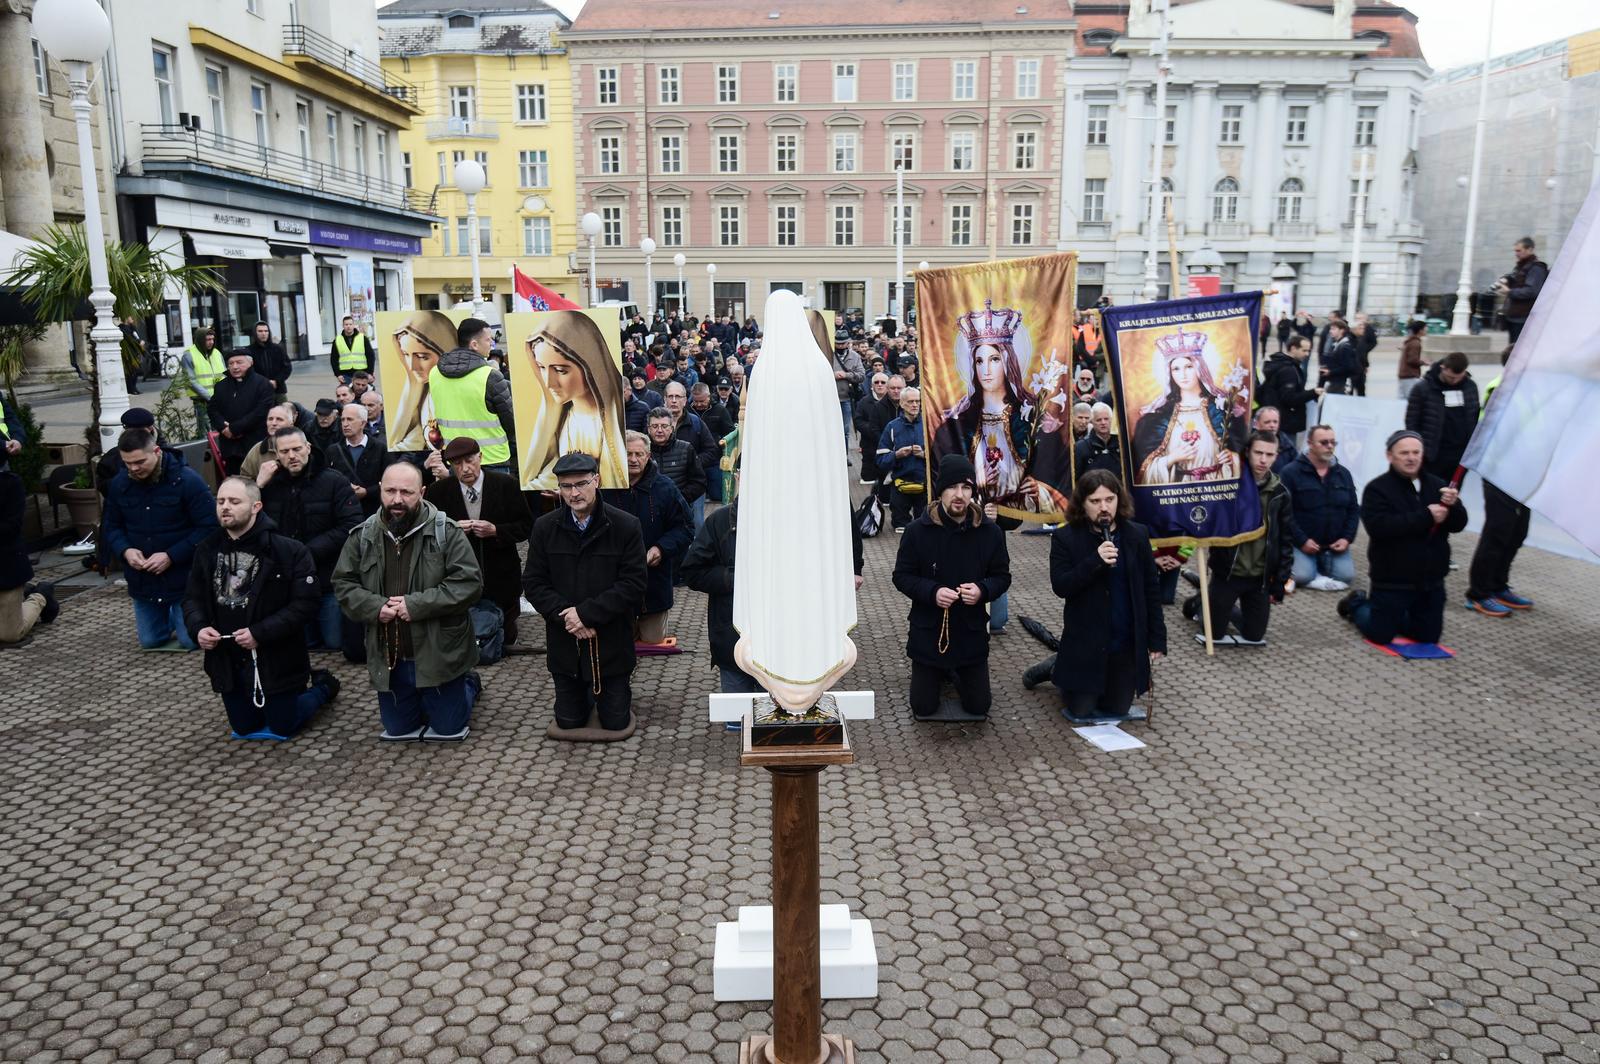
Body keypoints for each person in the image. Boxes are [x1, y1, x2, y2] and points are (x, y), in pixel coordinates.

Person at [333, 462, 483, 742]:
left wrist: (416, 605)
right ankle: (423, 697)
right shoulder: (363, 535)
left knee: (448, 728)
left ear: (422, 492)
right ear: (380, 490)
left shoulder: (446, 531)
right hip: (392, 656)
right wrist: (375, 607)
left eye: (407, 492)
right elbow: (343, 583)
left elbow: (469, 584)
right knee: (398, 729)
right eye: (390, 491)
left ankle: (468, 684)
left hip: (439, 653)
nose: (397, 499)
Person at [183, 477, 341, 740]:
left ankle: (322, 687)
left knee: (283, 725)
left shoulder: (288, 550)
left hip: (276, 658)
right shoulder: (207, 549)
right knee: (244, 727)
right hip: (229, 660)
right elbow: (192, 598)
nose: (225, 507)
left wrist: (260, 633)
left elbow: (305, 604)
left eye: (234, 501)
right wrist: (198, 628)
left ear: (256, 506)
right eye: (220, 501)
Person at [522, 452, 649, 733]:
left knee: (615, 721)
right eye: (566, 486)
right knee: (569, 721)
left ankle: (610, 695)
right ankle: (582, 696)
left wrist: (587, 615)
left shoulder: (625, 525)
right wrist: (568, 618)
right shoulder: (545, 527)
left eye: (581, 484)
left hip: (611, 642)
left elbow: (633, 583)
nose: (574, 493)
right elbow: (533, 582)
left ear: (597, 481)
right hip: (565, 643)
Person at [891, 455, 1011, 720]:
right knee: (923, 707)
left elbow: (1002, 577)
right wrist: (932, 592)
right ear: (940, 491)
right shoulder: (917, 531)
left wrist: (982, 590)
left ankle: (956, 673)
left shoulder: (990, 532)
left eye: (966, 487)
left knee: (979, 707)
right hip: (929, 633)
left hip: (970, 632)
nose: (959, 495)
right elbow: (901, 576)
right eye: (952, 487)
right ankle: (939, 672)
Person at [1050, 470, 1166, 721]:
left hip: (1123, 645)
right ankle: (1053, 668)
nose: (1104, 507)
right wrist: (1095, 560)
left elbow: (1151, 590)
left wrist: (1157, 639)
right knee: (1081, 710)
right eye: (1095, 501)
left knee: (1118, 710)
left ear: (1119, 499)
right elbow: (1061, 586)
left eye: (1109, 499)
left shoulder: (1137, 535)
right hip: (1086, 645)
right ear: (1082, 504)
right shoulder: (1065, 537)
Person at [1340, 431, 1467, 645]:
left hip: (1430, 582)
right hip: (1392, 581)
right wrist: (1426, 516)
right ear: (1390, 456)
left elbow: (1458, 525)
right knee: (1380, 635)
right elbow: (1379, 528)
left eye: (1416, 452)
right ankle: (1356, 604)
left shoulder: (1438, 485)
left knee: (1428, 638)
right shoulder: (1377, 489)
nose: (1411, 458)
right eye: (1404, 453)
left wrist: (1454, 507)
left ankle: (1396, 617)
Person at [103, 427, 218, 650]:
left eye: (139, 462)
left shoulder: (187, 481)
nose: (133, 469)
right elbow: (111, 526)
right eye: (127, 463)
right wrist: (125, 550)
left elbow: (210, 527)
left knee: (190, 641)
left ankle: (195, 614)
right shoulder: (120, 484)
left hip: (184, 577)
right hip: (143, 579)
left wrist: (171, 556)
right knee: (151, 641)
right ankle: (174, 620)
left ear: (156, 451)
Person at [1184, 432, 1294, 647]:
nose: (1263, 460)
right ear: (1247, 452)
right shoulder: (1229, 484)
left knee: (1254, 636)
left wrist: (1280, 581)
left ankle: (1213, 603)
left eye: (1269, 455)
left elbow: (1285, 540)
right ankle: (1201, 602)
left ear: (1276, 456)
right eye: (1258, 453)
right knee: (1214, 634)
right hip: (1228, 573)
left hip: (1259, 578)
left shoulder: (1280, 494)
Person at [258, 425, 362, 649]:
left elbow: (352, 525)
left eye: (296, 449)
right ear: (276, 455)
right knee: (303, 643)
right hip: (288, 583)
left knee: (334, 643)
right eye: (285, 451)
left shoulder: (334, 481)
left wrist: (307, 551)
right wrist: (258, 486)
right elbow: (250, 521)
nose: (292, 456)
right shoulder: (269, 485)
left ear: (308, 447)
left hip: (327, 577)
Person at [424, 435, 534, 644]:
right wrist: (452, 530)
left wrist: (496, 531)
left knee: (504, 639)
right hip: (458, 575)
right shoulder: (438, 491)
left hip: (501, 575)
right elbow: (428, 532)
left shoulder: (506, 485)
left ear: (480, 457)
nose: (465, 468)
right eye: (457, 464)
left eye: (470, 461)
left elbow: (526, 526)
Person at [932, 301, 1038, 510]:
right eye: (979, 361)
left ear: (1008, 362)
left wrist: (1038, 485)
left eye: (995, 359)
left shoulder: (1028, 415)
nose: (986, 370)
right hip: (970, 508)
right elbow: (942, 467)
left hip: (1016, 510)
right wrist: (970, 479)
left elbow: (1049, 463)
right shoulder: (959, 421)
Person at [521, 313, 628, 489]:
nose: (548, 383)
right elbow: (553, 472)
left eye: (560, 370)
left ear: (590, 366)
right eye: (541, 368)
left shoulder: (612, 420)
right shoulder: (563, 419)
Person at [605, 431, 693, 644]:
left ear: (648, 456)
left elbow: (685, 527)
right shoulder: (604, 487)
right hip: (614, 578)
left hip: (653, 580)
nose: (633, 459)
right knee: (618, 639)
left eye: (639, 454)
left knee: (653, 641)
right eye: (628, 454)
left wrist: (661, 548)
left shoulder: (665, 487)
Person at [1464, 351, 1533, 617]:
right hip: (1500, 470)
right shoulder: (1501, 388)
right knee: (1498, 531)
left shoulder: (1529, 388)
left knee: (1518, 532)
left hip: (1524, 471)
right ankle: (1479, 593)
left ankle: (1498, 585)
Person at [1130, 329, 1246, 485]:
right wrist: (1172, 458)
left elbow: (1242, 451)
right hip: (1178, 487)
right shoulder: (1159, 416)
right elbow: (1142, 465)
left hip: (1215, 485)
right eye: (1176, 369)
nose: (1183, 374)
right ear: (1170, 373)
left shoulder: (1221, 408)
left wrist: (1231, 457)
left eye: (1189, 367)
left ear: (1199, 368)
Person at [428, 317, 517, 475]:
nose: (492, 344)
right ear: (474, 344)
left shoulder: (435, 373)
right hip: (493, 459)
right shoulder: (491, 376)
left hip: (456, 459)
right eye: (488, 339)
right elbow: (510, 422)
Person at [1279, 424, 1360, 591]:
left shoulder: (1343, 474)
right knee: (1302, 575)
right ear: (1310, 443)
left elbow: (1353, 509)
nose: (1329, 446)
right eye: (1324, 442)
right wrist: (1302, 541)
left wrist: (1346, 538)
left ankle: (1319, 566)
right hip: (1301, 543)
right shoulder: (1290, 473)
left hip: (1333, 545)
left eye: (1333, 442)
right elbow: (1284, 513)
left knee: (1346, 576)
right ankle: (1307, 566)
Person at [1, 463, 59, 645]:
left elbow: (11, 528)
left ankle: (40, 595)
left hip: (5, 570)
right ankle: (24, 593)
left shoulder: (10, 483)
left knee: (10, 634)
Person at [388, 310, 456, 453]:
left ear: (445, 352)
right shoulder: (424, 392)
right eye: (406, 355)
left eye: (422, 357)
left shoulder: (459, 391)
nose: (412, 367)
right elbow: (417, 436)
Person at [1405, 351, 1479, 482]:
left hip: (1460, 456)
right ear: (1443, 368)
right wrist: (1420, 450)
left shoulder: (1470, 387)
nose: (1454, 381)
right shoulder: (1423, 388)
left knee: (1453, 492)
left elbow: (1474, 416)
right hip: (1433, 455)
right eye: (1450, 377)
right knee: (1432, 491)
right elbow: (1411, 422)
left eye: (1458, 377)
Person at [208, 350, 275, 476]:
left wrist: (234, 429)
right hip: (229, 446)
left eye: (239, 362)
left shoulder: (263, 384)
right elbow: (212, 409)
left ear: (250, 363)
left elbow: (261, 412)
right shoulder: (221, 386)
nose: (235, 367)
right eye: (231, 363)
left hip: (253, 444)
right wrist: (223, 427)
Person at [877, 386, 926, 532]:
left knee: (924, 528)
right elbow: (880, 460)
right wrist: (896, 455)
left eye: (917, 401)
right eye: (910, 401)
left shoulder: (928, 425)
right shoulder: (892, 427)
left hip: (924, 485)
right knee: (900, 528)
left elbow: (940, 456)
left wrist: (924, 455)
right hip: (899, 485)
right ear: (902, 403)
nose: (915, 405)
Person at [325, 403, 387, 516]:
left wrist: (367, 492)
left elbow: (388, 481)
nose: (345, 424)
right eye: (342, 420)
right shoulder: (333, 450)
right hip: (343, 512)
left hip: (373, 512)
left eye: (350, 419)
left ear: (363, 423)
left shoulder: (380, 449)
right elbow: (327, 481)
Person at [645, 407, 706, 521]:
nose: (659, 430)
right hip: (649, 511)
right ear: (648, 429)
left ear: (671, 428)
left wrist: (679, 498)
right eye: (655, 426)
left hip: (679, 511)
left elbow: (699, 482)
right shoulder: (640, 451)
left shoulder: (686, 448)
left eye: (664, 426)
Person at [1258, 335, 1322, 441]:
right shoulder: (1288, 370)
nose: (1307, 354)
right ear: (1293, 349)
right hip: (1285, 422)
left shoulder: (1282, 365)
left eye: (1308, 351)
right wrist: (1313, 393)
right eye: (1304, 350)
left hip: (1278, 419)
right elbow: (1289, 398)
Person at [1494, 237, 1548, 343]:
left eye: (1519, 251)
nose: (1516, 254)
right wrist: (1506, 280)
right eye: (1515, 251)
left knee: (1518, 348)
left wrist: (1509, 292)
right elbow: (1517, 280)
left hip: (1523, 318)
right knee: (1513, 348)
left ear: (1530, 249)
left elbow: (1531, 291)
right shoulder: (1522, 266)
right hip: (1515, 317)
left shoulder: (1536, 268)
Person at [180, 326, 226, 439]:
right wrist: (210, 397)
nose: (211, 342)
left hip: (220, 400)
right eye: (208, 339)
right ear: (200, 340)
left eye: (212, 339)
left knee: (221, 428)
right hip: (202, 401)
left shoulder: (217, 353)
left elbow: (224, 374)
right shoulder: (189, 355)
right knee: (205, 432)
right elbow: (191, 381)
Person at [237, 403, 298, 483]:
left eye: (279, 419)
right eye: (270, 419)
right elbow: (245, 480)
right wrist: (259, 483)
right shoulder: (257, 450)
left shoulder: (302, 447)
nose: (273, 423)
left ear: (291, 425)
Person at [853, 372, 893, 484]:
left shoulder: (894, 402)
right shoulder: (863, 402)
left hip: (889, 442)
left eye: (883, 382)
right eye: (876, 382)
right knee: (868, 477)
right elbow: (858, 421)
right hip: (869, 443)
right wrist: (872, 429)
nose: (880, 384)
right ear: (872, 385)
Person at [1073, 402, 1121, 478]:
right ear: (1092, 422)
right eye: (1098, 420)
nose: (1103, 423)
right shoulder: (1080, 447)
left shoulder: (1122, 444)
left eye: (1106, 419)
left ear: (1112, 420)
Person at [248, 322, 292, 403]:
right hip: (259, 391)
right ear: (255, 333)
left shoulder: (278, 349)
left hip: (278, 390)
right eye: (260, 331)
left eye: (266, 331)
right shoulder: (249, 351)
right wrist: (264, 382)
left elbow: (287, 367)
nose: (263, 334)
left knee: (283, 409)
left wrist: (276, 381)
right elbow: (249, 371)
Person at [1251, 406, 1298, 473]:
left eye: (1275, 422)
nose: (1272, 425)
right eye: (1267, 422)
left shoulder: (1288, 446)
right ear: (1257, 424)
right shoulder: (1247, 443)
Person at [330, 315, 374, 383]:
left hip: (361, 372)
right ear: (343, 326)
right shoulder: (337, 340)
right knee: (346, 390)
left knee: (363, 390)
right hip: (345, 374)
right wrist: (337, 374)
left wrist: (370, 372)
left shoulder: (363, 338)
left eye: (350, 324)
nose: (348, 326)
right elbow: (334, 359)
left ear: (354, 325)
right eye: (346, 324)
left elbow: (370, 356)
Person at [1320, 319, 1358, 396]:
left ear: (1341, 330)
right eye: (1330, 329)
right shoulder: (1338, 344)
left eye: (1333, 329)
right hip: (1336, 382)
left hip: (1340, 383)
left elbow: (1348, 367)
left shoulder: (1344, 346)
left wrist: (1330, 372)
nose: (1330, 331)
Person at [1398, 319, 1428, 400]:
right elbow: (1412, 360)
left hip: (1405, 374)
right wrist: (1423, 362)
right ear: (1420, 330)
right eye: (1425, 328)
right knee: (1410, 399)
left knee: (1402, 399)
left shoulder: (1410, 341)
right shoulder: (1415, 343)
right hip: (1410, 375)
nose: (1427, 330)